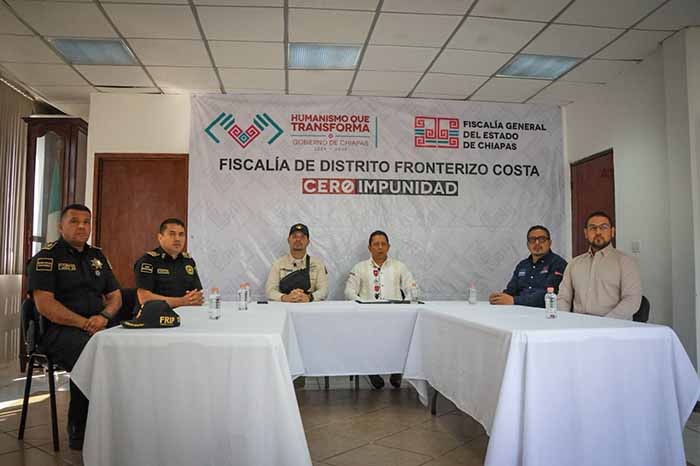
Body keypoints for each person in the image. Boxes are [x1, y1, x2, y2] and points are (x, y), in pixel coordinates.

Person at [26, 204, 121, 450]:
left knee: (126, 348)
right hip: (58, 331)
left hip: (97, 325)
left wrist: (104, 317)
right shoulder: (46, 257)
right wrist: (85, 323)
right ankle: (80, 429)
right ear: (60, 226)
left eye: (86, 222)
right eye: (74, 221)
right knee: (91, 354)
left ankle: (117, 424)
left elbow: (115, 296)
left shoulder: (97, 257)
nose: (82, 226)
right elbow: (45, 305)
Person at [344, 230, 418, 389]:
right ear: (369, 247)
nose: (380, 247)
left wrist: (406, 303)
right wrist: (363, 304)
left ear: (388, 247)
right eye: (376, 244)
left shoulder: (399, 266)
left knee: (403, 337)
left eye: (383, 244)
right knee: (368, 340)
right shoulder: (359, 267)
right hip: (368, 316)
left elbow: (412, 287)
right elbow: (349, 291)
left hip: (395, 316)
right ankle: (372, 371)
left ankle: (397, 371)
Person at [558, 211, 642, 319]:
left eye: (604, 227)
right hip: (578, 324)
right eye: (593, 228)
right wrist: (564, 320)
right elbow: (563, 298)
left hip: (613, 325)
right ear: (586, 233)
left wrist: (604, 323)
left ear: (612, 232)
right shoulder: (574, 263)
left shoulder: (626, 262)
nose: (598, 232)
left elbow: (632, 300)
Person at [489, 225, 567, 307]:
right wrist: (499, 297)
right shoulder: (522, 265)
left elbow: (548, 294)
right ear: (527, 244)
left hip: (544, 311)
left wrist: (514, 300)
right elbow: (511, 290)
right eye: (532, 240)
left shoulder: (558, 263)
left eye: (541, 239)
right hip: (518, 310)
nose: (537, 243)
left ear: (550, 243)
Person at [134, 218, 204, 308]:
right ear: (160, 237)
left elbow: (196, 293)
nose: (177, 239)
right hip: (155, 314)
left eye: (181, 234)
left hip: (184, 312)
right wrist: (182, 301)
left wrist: (195, 298)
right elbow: (144, 298)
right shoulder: (148, 261)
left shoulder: (188, 261)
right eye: (172, 234)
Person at [265, 223, 328, 302]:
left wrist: (309, 297)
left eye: (302, 237)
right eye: (294, 236)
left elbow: (324, 290)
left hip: (309, 306)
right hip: (285, 306)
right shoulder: (278, 264)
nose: (298, 239)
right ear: (288, 240)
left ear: (308, 241)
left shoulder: (318, 264)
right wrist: (285, 297)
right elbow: (270, 291)